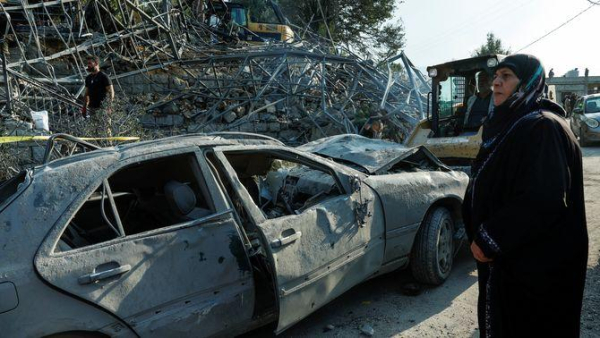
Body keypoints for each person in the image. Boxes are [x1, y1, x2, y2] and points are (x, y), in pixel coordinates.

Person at [462, 54, 588, 337]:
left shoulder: (542, 127)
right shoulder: (514, 124)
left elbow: (543, 198)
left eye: (506, 76)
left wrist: (489, 238)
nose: (495, 82)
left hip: (533, 269)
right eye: (495, 76)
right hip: (513, 264)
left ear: (528, 83)